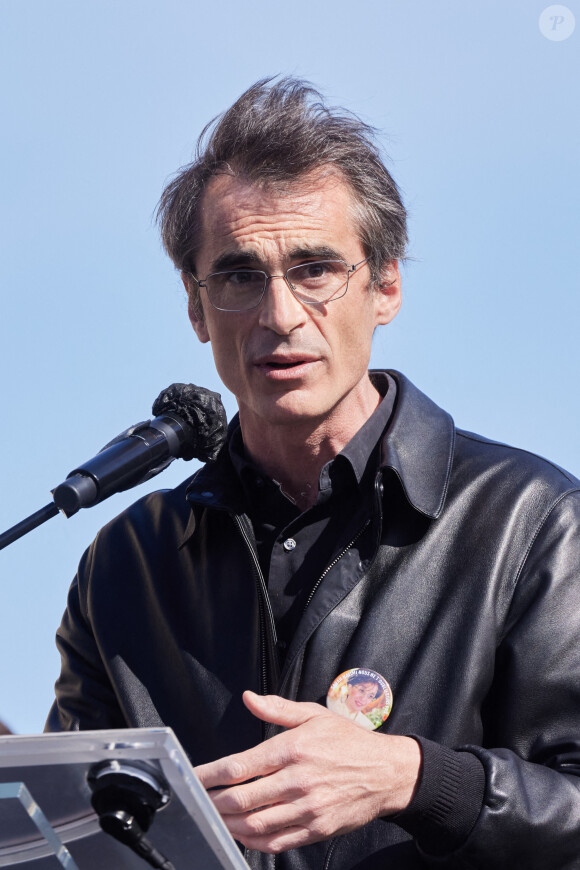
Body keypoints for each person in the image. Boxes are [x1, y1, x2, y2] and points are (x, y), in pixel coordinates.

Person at [46, 78, 580, 869]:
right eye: (238, 277)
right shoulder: (126, 563)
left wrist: (413, 777)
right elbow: (81, 838)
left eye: (316, 269)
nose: (280, 314)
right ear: (195, 308)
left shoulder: (531, 522)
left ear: (386, 286)